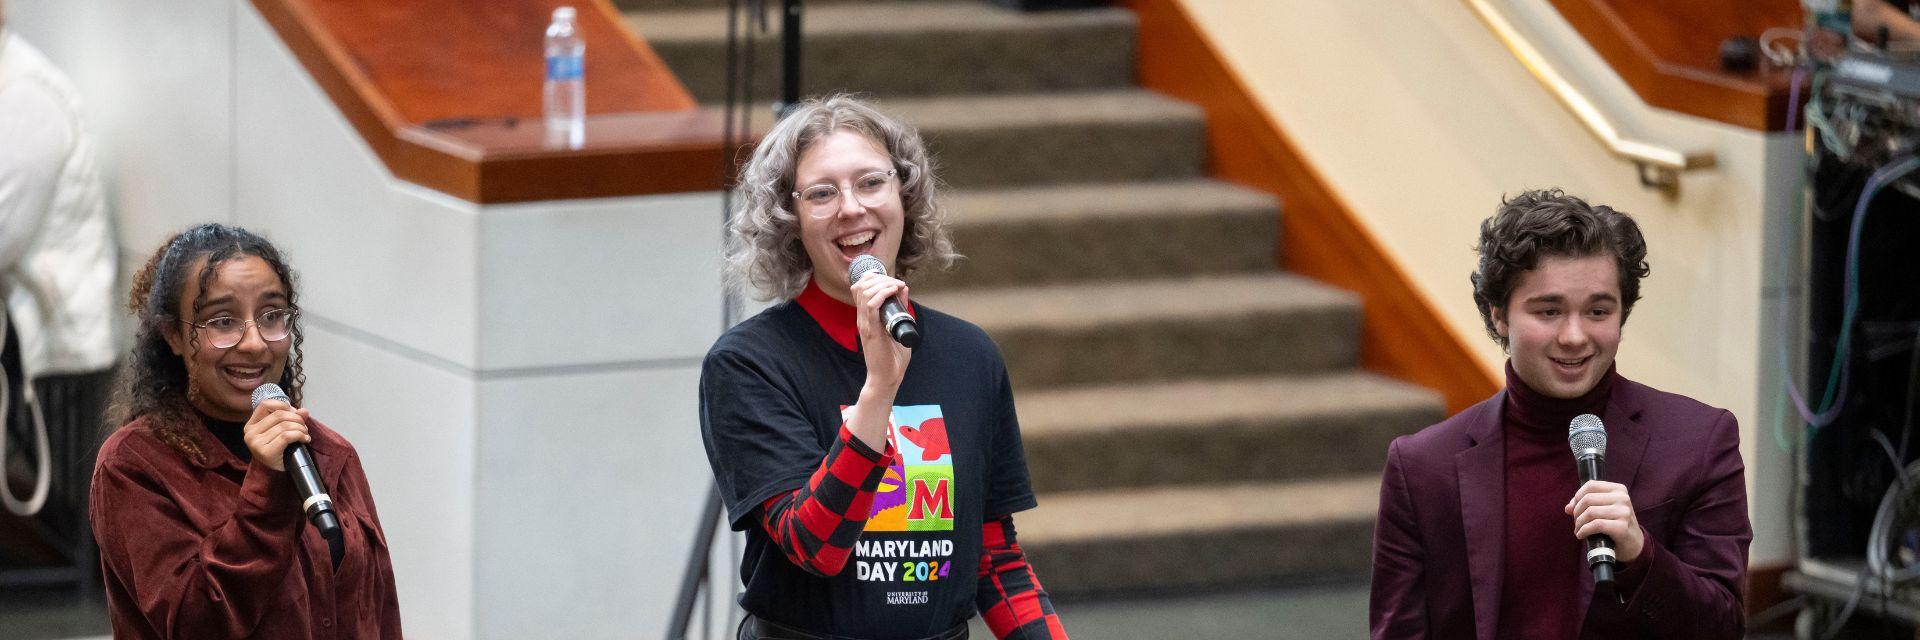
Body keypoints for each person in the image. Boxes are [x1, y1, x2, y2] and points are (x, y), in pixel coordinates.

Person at [700, 94, 1067, 640]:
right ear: (790, 221)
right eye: (822, 193)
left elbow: (992, 554)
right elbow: (814, 547)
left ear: (903, 195)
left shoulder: (970, 355)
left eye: (872, 182)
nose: (852, 208)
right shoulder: (749, 364)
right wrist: (879, 389)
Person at [1369, 189, 1751, 639]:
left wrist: (1640, 553)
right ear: (1499, 317)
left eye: (1597, 311)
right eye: (1549, 311)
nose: (1574, 336)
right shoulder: (1422, 467)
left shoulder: (1699, 441)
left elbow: (1723, 627)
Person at [90, 224, 401, 638]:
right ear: (175, 337)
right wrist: (267, 488)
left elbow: (379, 614)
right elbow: (194, 624)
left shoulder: (330, 454)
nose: (255, 343)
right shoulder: (133, 466)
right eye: (222, 321)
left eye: (272, 316)